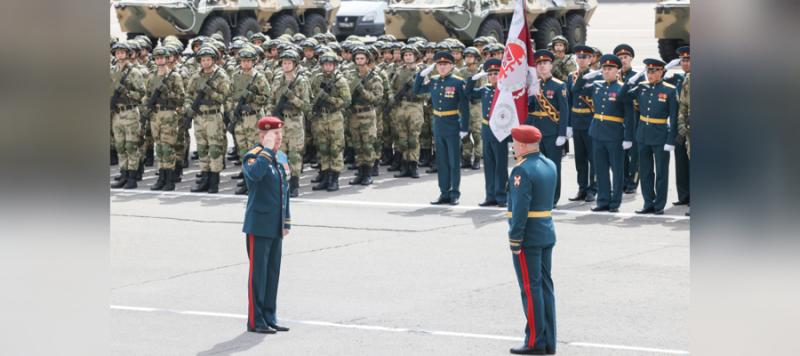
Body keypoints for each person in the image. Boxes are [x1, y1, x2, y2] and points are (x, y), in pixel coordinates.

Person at [507, 125, 558, 355]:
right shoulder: (550, 164)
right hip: (546, 231)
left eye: (516, 143)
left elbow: (519, 209)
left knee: (530, 288)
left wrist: (515, 238)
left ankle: (535, 341)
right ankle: (549, 340)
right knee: (545, 287)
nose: (514, 147)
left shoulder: (522, 171)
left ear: (525, 145)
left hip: (529, 236)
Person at [241, 116, 292, 334]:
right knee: (258, 275)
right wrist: (267, 150)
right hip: (259, 225)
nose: (278, 138)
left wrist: (286, 220)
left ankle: (270, 316)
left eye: (280, 134)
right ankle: (256, 320)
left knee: (272, 273)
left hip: (275, 224)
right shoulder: (253, 158)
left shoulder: (281, 157)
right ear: (262, 136)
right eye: (273, 135)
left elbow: (285, 192)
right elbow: (255, 176)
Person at [573, 54, 635, 213]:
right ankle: (603, 200)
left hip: (615, 133)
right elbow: (576, 89)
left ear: (617, 70)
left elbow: (629, 115)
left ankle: (615, 203)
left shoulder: (622, 88)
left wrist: (628, 137)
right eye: (604, 68)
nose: (607, 71)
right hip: (597, 133)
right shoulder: (597, 85)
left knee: (617, 169)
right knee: (600, 169)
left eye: (610, 68)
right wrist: (584, 75)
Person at [414, 51, 470, 205]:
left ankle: (454, 193)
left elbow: (464, 107)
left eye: (445, 64)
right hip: (438, 125)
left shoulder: (458, 82)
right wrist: (421, 74)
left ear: (451, 66)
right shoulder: (433, 80)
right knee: (442, 161)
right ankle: (444, 192)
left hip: (452, 125)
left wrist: (464, 128)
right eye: (439, 64)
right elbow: (416, 90)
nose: (442, 67)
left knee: (453, 161)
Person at [627, 59, 678, 215]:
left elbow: (674, 117)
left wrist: (671, 140)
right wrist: (631, 81)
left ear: (662, 72)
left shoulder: (669, 90)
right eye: (648, 71)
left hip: (661, 135)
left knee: (661, 172)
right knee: (646, 171)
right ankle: (648, 202)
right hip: (643, 134)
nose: (650, 74)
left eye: (654, 71)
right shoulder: (641, 87)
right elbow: (623, 97)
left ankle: (659, 204)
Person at [527, 50, 569, 207]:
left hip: (552, 132)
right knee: (537, 168)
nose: (542, 66)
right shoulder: (534, 85)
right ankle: (540, 198)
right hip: (536, 132)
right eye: (539, 63)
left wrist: (562, 134)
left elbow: (564, 111)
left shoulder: (559, 86)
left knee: (552, 167)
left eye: (545, 63)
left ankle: (553, 198)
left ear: (551, 65)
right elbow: (530, 108)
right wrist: (532, 93)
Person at [466, 58, 509, 207]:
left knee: (501, 165)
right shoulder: (485, 90)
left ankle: (502, 196)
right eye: (490, 74)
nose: (493, 76)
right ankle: (490, 196)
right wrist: (473, 79)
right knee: (489, 165)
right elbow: (468, 93)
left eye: (496, 73)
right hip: (487, 130)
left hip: (500, 131)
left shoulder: (505, 90)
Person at [142, 46, 185, 191]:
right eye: (157, 58)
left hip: (169, 113)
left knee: (168, 147)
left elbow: (181, 98)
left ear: (167, 59)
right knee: (159, 147)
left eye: (162, 57)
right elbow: (147, 95)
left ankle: (169, 179)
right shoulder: (151, 76)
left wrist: (167, 93)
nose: (160, 60)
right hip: (155, 115)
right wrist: (145, 105)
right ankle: (161, 177)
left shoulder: (174, 76)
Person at [229, 47, 270, 195]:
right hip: (240, 117)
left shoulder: (259, 77)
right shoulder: (235, 77)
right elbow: (230, 95)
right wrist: (232, 111)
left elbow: (266, 97)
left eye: (248, 61)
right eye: (243, 61)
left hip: (254, 117)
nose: (245, 64)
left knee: (255, 151)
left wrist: (252, 100)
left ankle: (257, 182)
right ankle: (247, 180)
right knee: (243, 152)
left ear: (253, 62)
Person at [309, 52, 351, 191]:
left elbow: (346, 101)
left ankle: (334, 180)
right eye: (325, 64)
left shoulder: (340, 80)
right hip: (320, 118)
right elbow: (311, 96)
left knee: (335, 149)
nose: (328, 67)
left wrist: (328, 98)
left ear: (334, 65)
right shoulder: (316, 78)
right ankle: (325, 177)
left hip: (334, 118)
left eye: (330, 64)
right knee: (323, 148)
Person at [110, 41, 147, 190]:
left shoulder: (134, 72)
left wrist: (125, 91)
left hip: (130, 112)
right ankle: (123, 174)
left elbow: (140, 94)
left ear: (127, 54)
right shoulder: (112, 71)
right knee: (120, 146)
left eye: (122, 52)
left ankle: (132, 177)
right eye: (117, 52)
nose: (119, 55)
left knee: (131, 146)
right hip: (116, 113)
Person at [346, 46, 384, 186]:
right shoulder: (351, 76)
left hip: (367, 114)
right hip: (354, 115)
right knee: (357, 145)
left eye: (362, 58)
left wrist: (361, 90)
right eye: (357, 58)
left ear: (367, 59)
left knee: (368, 145)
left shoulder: (374, 77)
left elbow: (377, 99)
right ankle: (360, 173)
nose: (360, 61)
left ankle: (368, 174)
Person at [566, 45, 597, 202]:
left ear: (591, 59)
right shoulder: (571, 76)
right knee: (580, 158)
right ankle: (582, 188)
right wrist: (569, 124)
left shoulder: (596, 76)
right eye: (579, 57)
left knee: (593, 157)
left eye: (585, 57)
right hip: (577, 121)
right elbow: (569, 101)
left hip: (590, 121)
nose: (581, 59)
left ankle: (593, 189)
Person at [614, 44, 640, 194]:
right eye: (620, 58)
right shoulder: (614, 76)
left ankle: (633, 182)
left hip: (635, 117)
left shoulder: (636, 76)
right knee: (621, 151)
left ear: (631, 59)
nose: (623, 60)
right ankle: (623, 180)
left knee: (634, 153)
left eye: (626, 57)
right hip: (619, 118)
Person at [668, 46, 691, 206]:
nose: (685, 63)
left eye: (688, 59)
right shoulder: (677, 78)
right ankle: (684, 195)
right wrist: (667, 66)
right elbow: (656, 75)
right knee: (681, 161)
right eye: (683, 60)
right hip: (678, 125)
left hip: (690, 126)